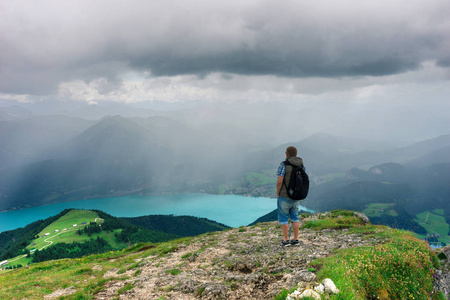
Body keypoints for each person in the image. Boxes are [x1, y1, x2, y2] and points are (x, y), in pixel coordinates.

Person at [276, 146, 305, 246]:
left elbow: (279, 181)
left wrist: (278, 192)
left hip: (284, 196)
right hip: (296, 197)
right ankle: (295, 239)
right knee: (295, 217)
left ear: (287, 154)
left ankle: (286, 240)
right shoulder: (301, 165)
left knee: (283, 218)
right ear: (295, 154)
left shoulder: (284, 165)